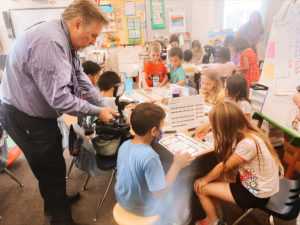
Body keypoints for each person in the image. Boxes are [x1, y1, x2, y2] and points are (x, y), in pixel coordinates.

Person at [0, 1, 117, 225]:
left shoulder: (63, 37)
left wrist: (103, 105)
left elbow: (80, 76)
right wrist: (97, 112)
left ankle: (55, 203)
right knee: (50, 166)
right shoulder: (50, 42)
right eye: (92, 35)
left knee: (51, 160)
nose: (94, 41)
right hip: (23, 114)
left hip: (33, 113)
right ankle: (61, 219)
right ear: (78, 24)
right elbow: (61, 99)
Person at [193, 102, 283, 225]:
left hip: (256, 193)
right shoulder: (250, 133)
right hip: (259, 183)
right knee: (214, 180)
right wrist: (209, 123)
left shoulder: (247, 144)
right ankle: (219, 217)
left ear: (223, 125)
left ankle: (213, 221)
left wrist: (203, 180)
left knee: (200, 188)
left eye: (215, 125)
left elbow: (223, 166)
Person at [114, 103, 194, 223]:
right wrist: (177, 165)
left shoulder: (124, 145)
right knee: (182, 185)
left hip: (123, 199)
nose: (162, 131)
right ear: (153, 131)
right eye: (161, 128)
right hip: (144, 209)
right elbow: (159, 193)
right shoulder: (150, 157)